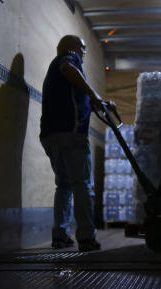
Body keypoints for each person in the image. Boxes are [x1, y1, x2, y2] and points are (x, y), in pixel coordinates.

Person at [40, 34, 113, 251]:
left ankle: (60, 235)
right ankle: (86, 237)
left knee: (64, 185)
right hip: (71, 134)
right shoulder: (68, 59)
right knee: (83, 186)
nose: (84, 52)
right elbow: (68, 68)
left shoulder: (56, 73)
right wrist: (93, 93)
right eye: (83, 48)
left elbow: (75, 98)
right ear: (73, 47)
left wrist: (98, 102)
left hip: (51, 136)